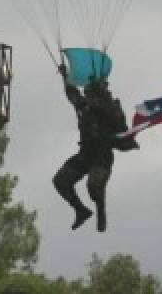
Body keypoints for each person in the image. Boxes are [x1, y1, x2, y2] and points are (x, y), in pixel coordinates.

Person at [53, 63, 138, 232]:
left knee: (93, 185)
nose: (90, 99)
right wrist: (65, 75)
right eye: (88, 96)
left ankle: (100, 210)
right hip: (85, 155)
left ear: (101, 96)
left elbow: (123, 133)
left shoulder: (113, 112)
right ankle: (81, 211)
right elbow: (72, 93)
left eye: (93, 96)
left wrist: (127, 141)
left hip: (102, 158)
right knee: (60, 181)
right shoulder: (84, 107)